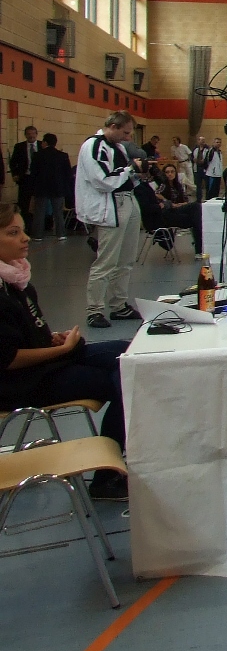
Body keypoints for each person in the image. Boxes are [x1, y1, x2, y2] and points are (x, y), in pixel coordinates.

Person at [0, 203, 128, 500]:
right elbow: (8, 359)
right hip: (21, 383)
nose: (25, 238)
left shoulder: (16, 279)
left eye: (23, 231)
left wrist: (52, 340)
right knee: (126, 379)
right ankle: (105, 480)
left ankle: (116, 455)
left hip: (44, 364)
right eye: (13, 233)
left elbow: (27, 332)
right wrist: (62, 351)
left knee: (127, 355)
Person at [76, 112, 143, 329]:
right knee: (106, 262)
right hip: (112, 205)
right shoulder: (94, 145)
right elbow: (103, 180)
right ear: (113, 126)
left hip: (128, 199)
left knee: (126, 260)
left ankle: (119, 304)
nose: (127, 137)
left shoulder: (118, 146)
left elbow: (123, 176)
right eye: (125, 132)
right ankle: (94, 309)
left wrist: (138, 173)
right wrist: (130, 168)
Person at [29, 134, 71, 240]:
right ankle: (61, 234)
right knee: (58, 212)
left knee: (39, 212)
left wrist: (32, 189)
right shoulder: (63, 155)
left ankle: (38, 235)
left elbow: (33, 173)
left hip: (41, 188)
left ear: (45, 142)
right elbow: (68, 173)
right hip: (58, 188)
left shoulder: (37, 155)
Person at [8, 125, 36, 234]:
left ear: (36, 134)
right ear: (25, 135)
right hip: (25, 178)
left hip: (38, 180)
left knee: (37, 203)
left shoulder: (41, 145)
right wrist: (15, 174)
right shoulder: (19, 147)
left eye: (33, 133)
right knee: (24, 203)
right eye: (28, 134)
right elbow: (13, 162)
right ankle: (25, 226)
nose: (31, 136)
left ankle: (37, 226)